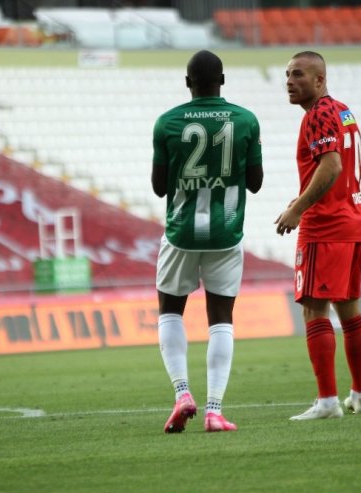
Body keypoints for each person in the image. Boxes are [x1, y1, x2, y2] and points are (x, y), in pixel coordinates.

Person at [152, 50, 263, 433]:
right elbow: (255, 182)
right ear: (223, 80)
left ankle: (183, 393)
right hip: (226, 232)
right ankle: (214, 411)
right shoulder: (246, 120)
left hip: (182, 232)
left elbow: (157, 186)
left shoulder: (168, 122)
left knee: (170, 312)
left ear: (187, 83)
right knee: (221, 320)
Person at [274, 51, 361, 420]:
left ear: (319, 80)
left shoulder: (318, 115)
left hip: (326, 226)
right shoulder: (343, 110)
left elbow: (331, 164)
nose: (289, 81)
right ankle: (358, 394)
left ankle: (328, 401)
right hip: (354, 219)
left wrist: (299, 209)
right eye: (286, 75)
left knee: (315, 309)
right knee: (350, 311)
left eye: (297, 74)